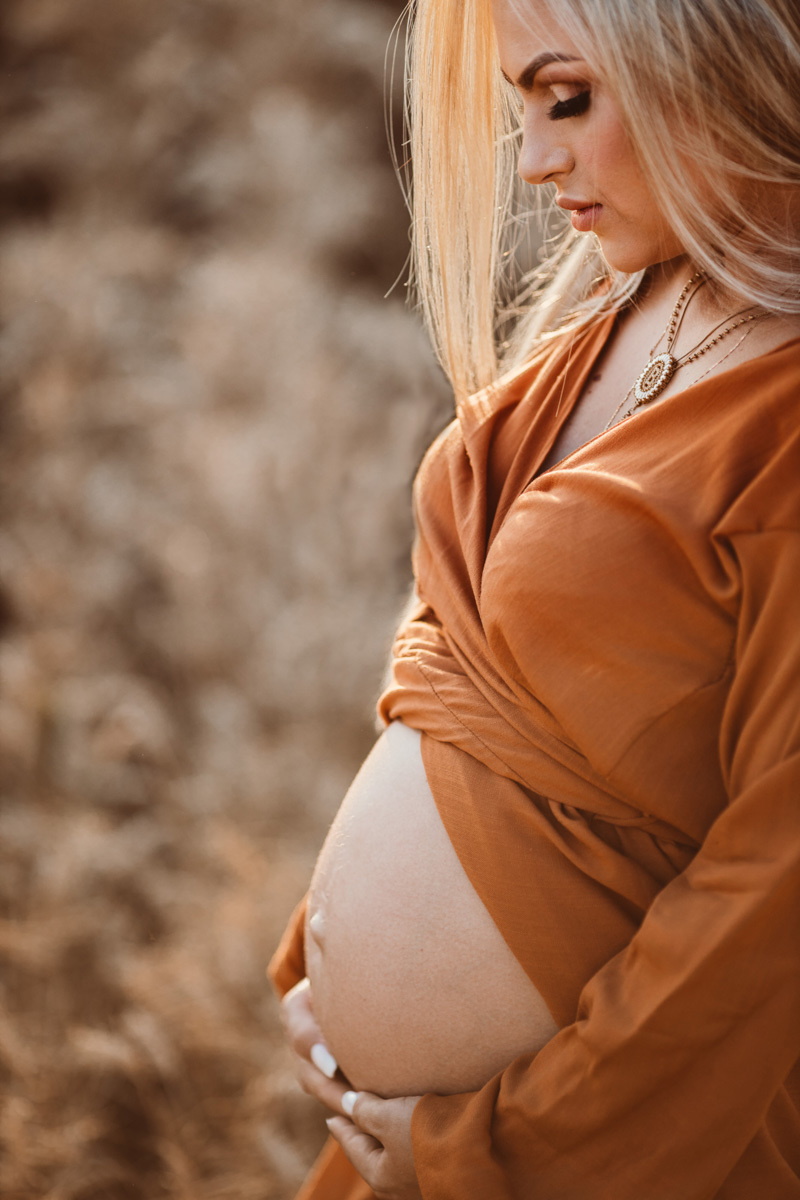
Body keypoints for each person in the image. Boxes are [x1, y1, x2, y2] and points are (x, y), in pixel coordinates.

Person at [271, 0, 800, 1195]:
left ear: (725, 69)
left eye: (565, 99)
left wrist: (508, 1151)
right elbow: (473, 670)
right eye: (520, 107)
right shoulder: (644, 296)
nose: (535, 158)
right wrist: (324, 970)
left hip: (597, 1147)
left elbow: (775, 887)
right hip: (399, 1133)